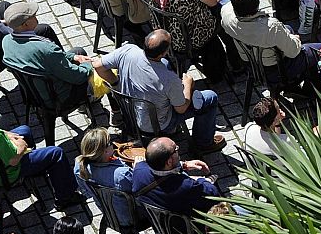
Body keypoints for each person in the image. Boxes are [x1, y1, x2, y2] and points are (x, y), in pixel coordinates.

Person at [0, 81, 84, 204]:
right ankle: (65, 197)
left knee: (24, 130)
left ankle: (37, 169)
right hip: (2, 173)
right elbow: (13, 160)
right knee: (56, 153)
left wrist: (6, 134)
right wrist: (21, 147)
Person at [95, 29, 224, 148]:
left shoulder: (128, 50)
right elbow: (181, 108)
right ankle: (204, 143)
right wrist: (188, 85)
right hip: (156, 125)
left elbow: (98, 66)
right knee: (210, 97)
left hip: (129, 114)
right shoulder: (169, 79)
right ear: (163, 52)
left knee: (166, 65)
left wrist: (116, 83)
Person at [129, 136, 216, 217]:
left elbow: (141, 164)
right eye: (176, 149)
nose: (178, 149)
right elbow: (212, 192)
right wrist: (202, 179)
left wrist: (183, 165)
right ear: (169, 162)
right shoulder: (186, 186)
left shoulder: (138, 171)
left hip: (161, 225)